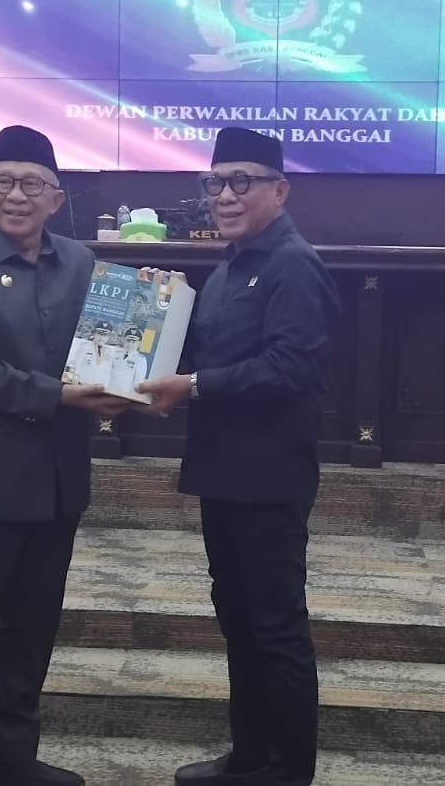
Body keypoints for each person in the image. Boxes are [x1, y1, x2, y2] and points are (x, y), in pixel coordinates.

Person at [0, 124, 129, 786]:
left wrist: (144, 329)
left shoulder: (84, 264)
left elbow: (109, 352)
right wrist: (60, 397)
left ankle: (11, 760)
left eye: (32, 184)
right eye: (3, 182)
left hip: (55, 483)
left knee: (31, 632)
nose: (17, 195)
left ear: (56, 199)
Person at [136, 127, 340, 786]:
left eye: (241, 182)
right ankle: (249, 758)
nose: (224, 195)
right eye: (215, 182)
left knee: (276, 628)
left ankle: (287, 771)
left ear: (280, 190)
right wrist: (154, 310)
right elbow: (201, 357)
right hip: (222, 472)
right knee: (239, 622)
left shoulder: (292, 264)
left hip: (269, 476)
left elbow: (290, 367)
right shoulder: (229, 268)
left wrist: (191, 386)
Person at [66, 321, 117, 387]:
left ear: (108, 337)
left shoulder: (109, 352)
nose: (101, 337)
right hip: (82, 385)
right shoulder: (84, 347)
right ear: (94, 334)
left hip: (98, 388)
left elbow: (107, 374)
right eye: (99, 334)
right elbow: (76, 366)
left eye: (105, 335)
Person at [108, 327, 149, 394]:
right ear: (124, 340)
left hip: (124, 395)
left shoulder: (140, 360)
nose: (130, 344)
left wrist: (131, 397)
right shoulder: (115, 354)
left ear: (139, 343)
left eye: (133, 342)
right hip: (108, 391)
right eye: (128, 341)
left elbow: (138, 382)